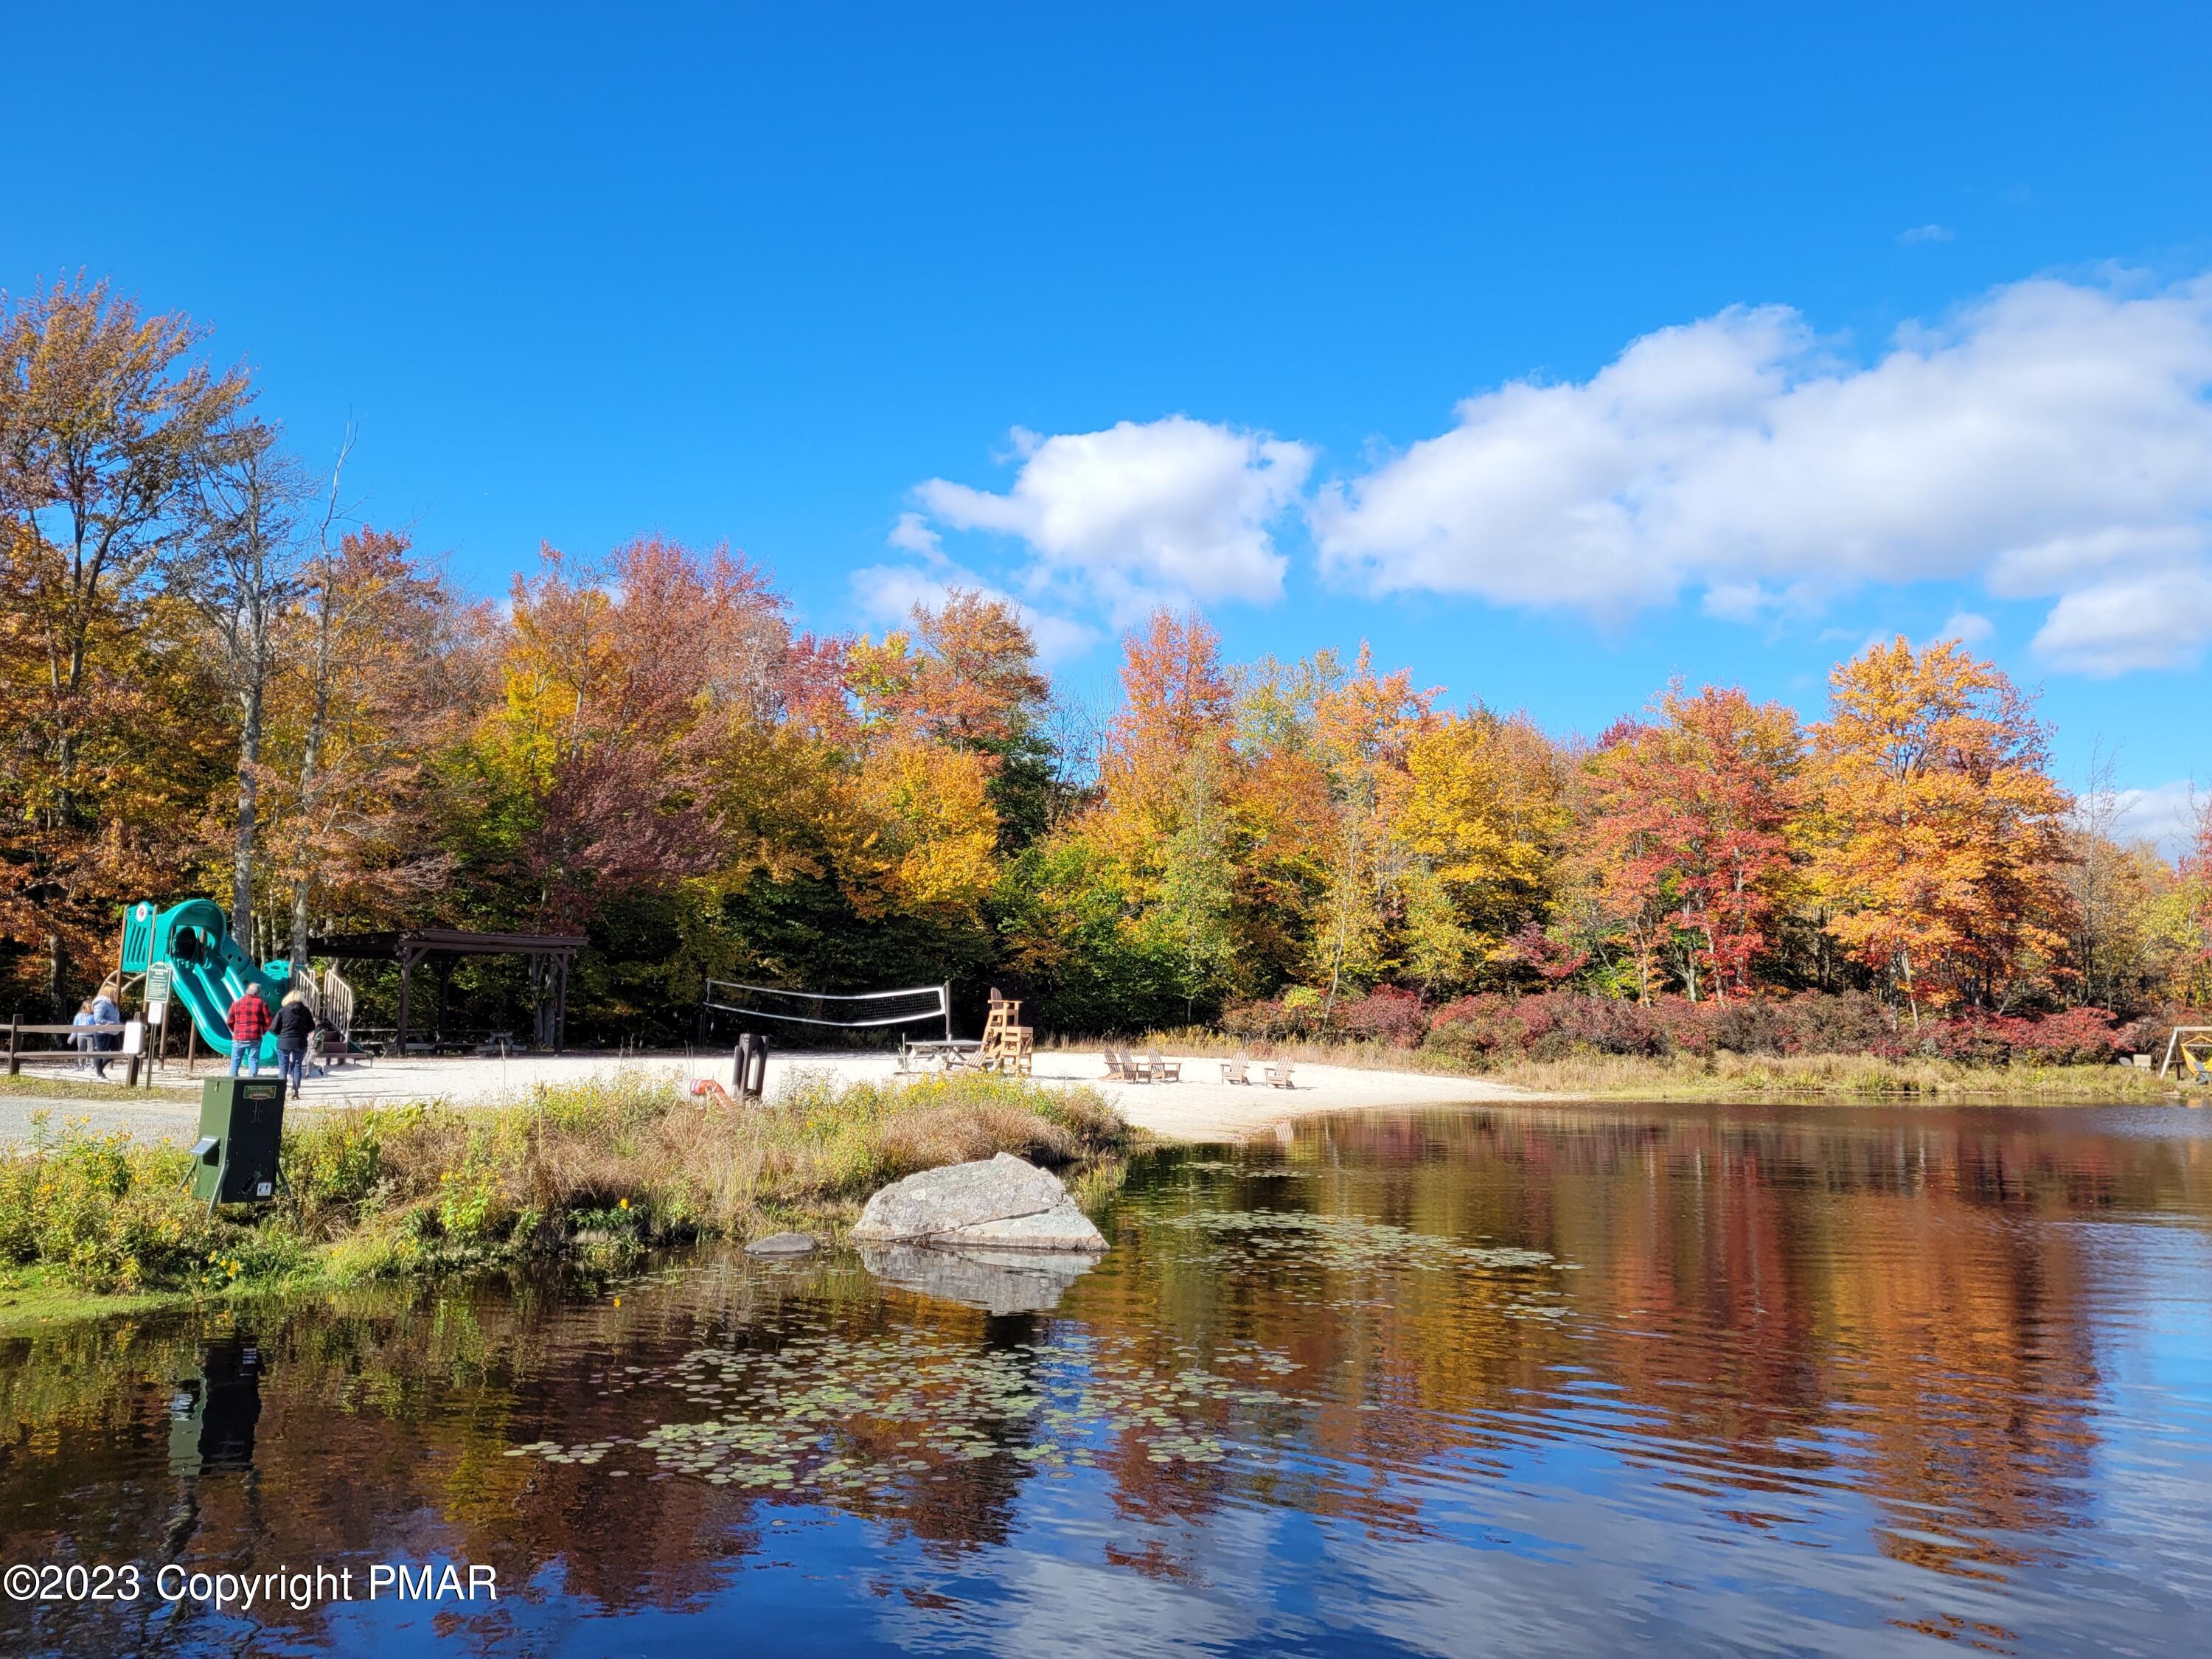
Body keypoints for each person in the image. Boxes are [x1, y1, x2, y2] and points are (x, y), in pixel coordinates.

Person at [272, 988, 315, 1099]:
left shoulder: (283, 1010)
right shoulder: (306, 1011)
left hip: (284, 1042)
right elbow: (311, 1027)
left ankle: (281, 1091)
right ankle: (295, 1091)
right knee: (297, 1066)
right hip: (300, 1042)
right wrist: (304, 1032)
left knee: (283, 1066)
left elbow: (274, 1027)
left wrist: (280, 1034)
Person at [226, 984, 272, 1078]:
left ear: (247, 991)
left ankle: (232, 1082)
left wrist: (235, 1031)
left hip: (239, 1037)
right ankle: (251, 1081)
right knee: (253, 1060)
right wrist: (262, 1032)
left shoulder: (236, 1003)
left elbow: (229, 1021)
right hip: (255, 1037)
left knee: (235, 1060)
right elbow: (268, 1022)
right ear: (258, 993)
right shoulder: (262, 1004)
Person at [90, 978, 124, 1081]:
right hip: (103, 1031)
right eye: (114, 993)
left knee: (116, 1052)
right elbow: (98, 1018)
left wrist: (118, 1024)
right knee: (101, 1052)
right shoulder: (102, 1002)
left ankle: (99, 1068)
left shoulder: (112, 1003)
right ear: (109, 993)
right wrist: (110, 1023)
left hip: (114, 1031)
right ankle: (99, 1073)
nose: (116, 995)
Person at [69, 998, 97, 1074]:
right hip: (81, 1035)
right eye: (89, 1007)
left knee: (91, 1051)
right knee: (81, 1050)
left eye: (91, 1007)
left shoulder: (93, 1016)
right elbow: (75, 1027)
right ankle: (80, 1065)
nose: (91, 1009)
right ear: (84, 1008)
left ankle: (92, 1066)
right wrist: (72, 1037)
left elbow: (97, 1026)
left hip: (91, 1035)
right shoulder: (79, 1016)